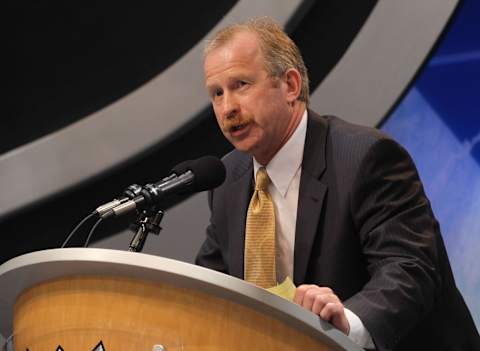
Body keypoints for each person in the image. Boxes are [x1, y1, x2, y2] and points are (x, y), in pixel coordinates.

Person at [195, 17, 479, 351]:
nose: (227, 108)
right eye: (217, 93)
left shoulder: (365, 157)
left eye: (241, 84)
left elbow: (410, 268)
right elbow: (209, 288)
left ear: (290, 85)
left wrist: (347, 322)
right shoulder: (229, 178)